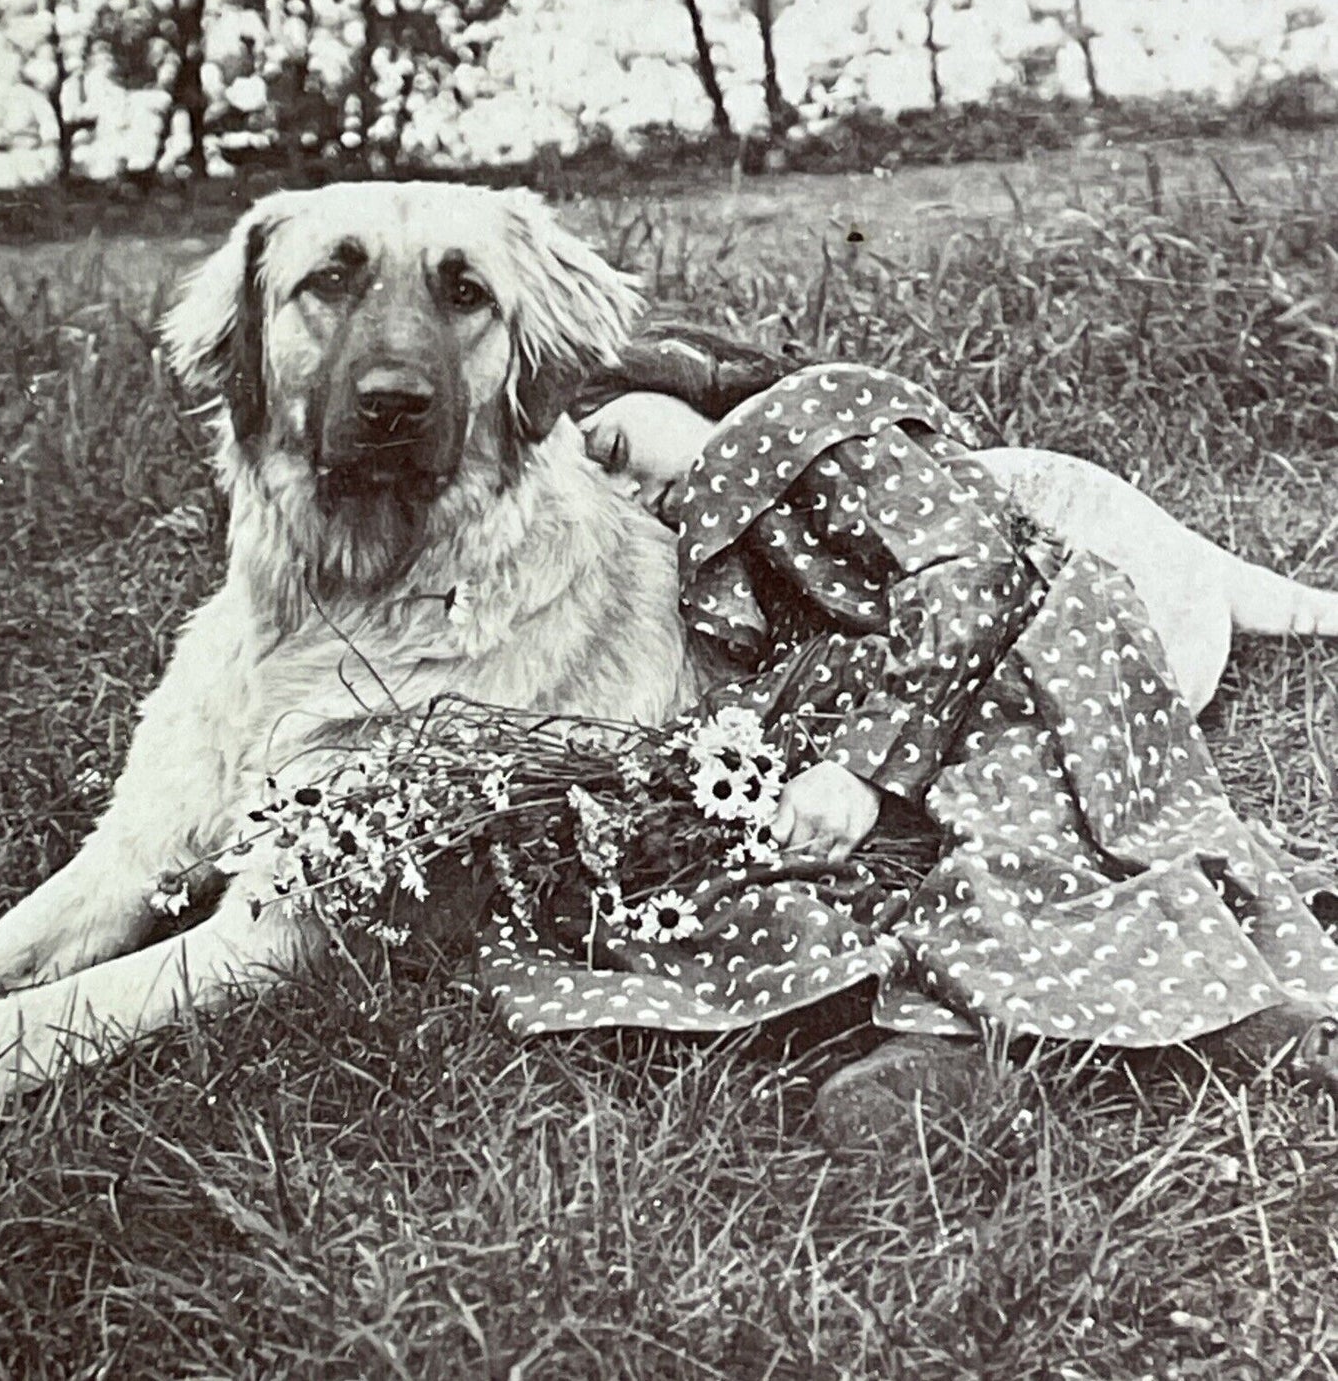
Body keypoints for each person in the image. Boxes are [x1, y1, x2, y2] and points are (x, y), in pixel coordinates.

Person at [477, 328, 1338, 1143]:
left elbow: (972, 576)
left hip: (1030, 657)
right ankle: (937, 1021)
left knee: (1007, 827)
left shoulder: (800, 424)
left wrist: (858, 766)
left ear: (675, 381)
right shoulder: (730, 540)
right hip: (931, 697)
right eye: (603, 493)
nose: (625, 493)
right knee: (839, 872)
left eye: (615, 449)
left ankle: (1215, 1028)